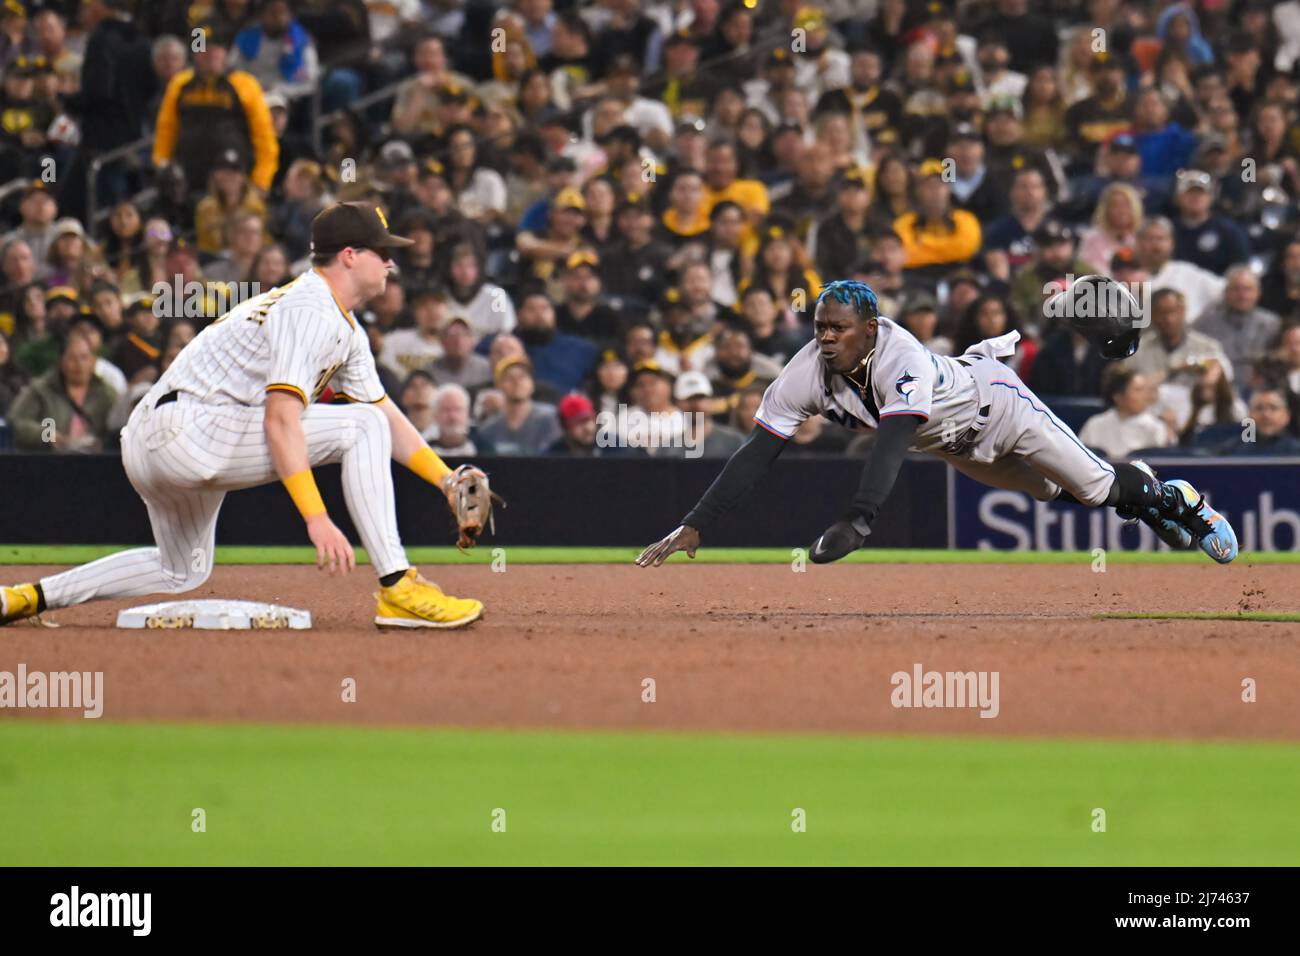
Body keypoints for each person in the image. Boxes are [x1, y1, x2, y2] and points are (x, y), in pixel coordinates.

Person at [1, 203, 484, 630]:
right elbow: (281, 420)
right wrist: (315, 516)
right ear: (350, 256)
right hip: (190, 431)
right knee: (359, 426)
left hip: (156, 437)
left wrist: (445, 480)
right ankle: (397, 585)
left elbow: (385, 411)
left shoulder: (342, 326)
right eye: (382, 251)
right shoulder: (311, 308)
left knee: (183, 569)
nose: (391, 261)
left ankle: (28, 597)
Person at [636, 280, 1239, 570]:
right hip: (956, 446)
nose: (825, 337)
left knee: (1097, 488)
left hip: (997, 404)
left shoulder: (898, 355)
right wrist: (696, 524)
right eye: (820, 326)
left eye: (838, 327)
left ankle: (1174, 499)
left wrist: (859, 519)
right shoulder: (804, 373)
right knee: (1051, 491)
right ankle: (1144, 501)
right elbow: (757, 452)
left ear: (870, 328)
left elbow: (893, 441)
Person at [8, 330, 119, 453]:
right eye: (72, 358)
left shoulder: (107, 394)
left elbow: (118, 429)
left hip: (96, 461)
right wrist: (48, 435)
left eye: (84, 358)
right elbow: (16, 422)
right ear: (62, 362)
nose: (79, 364)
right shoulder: (40, 390)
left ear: (93, 362)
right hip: (50, 461)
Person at [476, 353, 561, 455]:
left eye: (523, 377)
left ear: (532, 383)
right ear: (499, 385)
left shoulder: (551, 418)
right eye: (510, 378)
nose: (517, 382)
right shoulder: (488, 429)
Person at [1077, 370, 1173, 459]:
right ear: (1118, 396)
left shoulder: (1156, 426)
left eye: (1145, 390)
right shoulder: (1095, 424)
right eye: (1138, 390)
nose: (1145, 396)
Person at [1219, 386, 1300, 456]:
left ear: (1286, 416)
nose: (1266, 415)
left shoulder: (1297, 452)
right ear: (1249, 416)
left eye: (1273, 408)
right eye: (1259, 408)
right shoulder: (1230, 452)